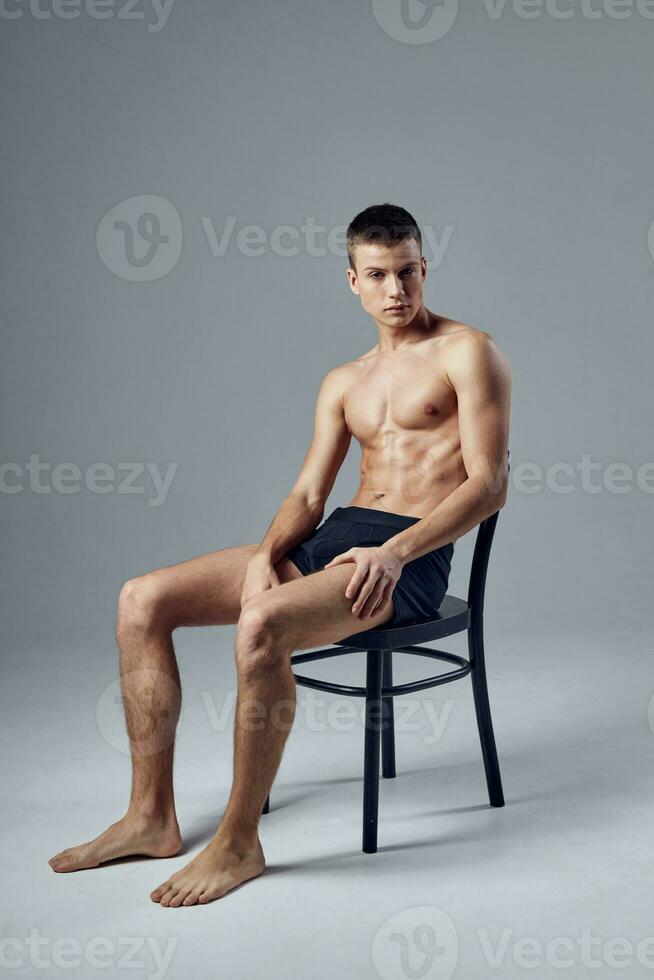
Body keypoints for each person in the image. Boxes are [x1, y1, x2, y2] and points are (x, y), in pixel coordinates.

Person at [49, 202, 512, 906]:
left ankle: (238, 843)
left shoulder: (467, 352)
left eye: (410, 272)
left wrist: (393, 553)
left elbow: (489, 486)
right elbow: (307, 494)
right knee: (141, 599)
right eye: (380, 275)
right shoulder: (343, 380)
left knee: (260, 626)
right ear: (351, 280)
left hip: (411, 556)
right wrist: (269, 551)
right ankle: (150, 817)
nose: (397, 291)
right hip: (341, 538)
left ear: (426, 268)